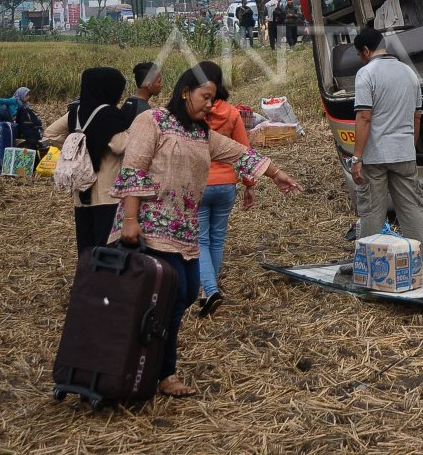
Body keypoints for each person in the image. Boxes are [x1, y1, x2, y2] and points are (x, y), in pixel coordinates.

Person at [111, 64, 302, 397]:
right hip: (150, 227)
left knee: (184, 295)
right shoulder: (152, 121)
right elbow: (133, 170)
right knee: (172, 294)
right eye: (206, 97)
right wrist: (130, 220)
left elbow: (240, 153)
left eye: (213, 99)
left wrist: (277, 174)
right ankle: (156, 369)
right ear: (186, 91)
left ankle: (156, 365)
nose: (210, 105)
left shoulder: (201, 133)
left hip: (184, 232)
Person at [346, 27, 423, 268]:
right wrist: (407, 148)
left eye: (361, 55)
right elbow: (417, 117)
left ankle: (369, 266)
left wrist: (356, 158)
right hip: (404, 153)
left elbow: (364, 118)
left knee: (372, 212)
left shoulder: (366, 74)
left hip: (375, 156)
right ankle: (420, 263)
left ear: (366, 51)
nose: (361, 59)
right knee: (411, 209)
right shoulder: (409, 73)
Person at [43, 67, 130, 253]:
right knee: (105, 247)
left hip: (81, 192)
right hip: (107, 193)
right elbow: (120, 145)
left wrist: (76, 145)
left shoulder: (76, 111)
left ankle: (85, 280)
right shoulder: (110, 114)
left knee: (86, 244)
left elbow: (50, 133)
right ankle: (101, 281)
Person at [195, 62, 254, 317]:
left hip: (199, 184)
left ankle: (209, 289)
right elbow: (244, 151)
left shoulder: (194, 112)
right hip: (226, 184)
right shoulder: (231, 113)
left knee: (200, 239)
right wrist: (249, 185)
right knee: (217, 238)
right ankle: (210, 288)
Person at [121, 62, 162, 127]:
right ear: (149, 85)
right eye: (159, 81)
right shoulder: (144, 111)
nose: (161, 85)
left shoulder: (129, 100)